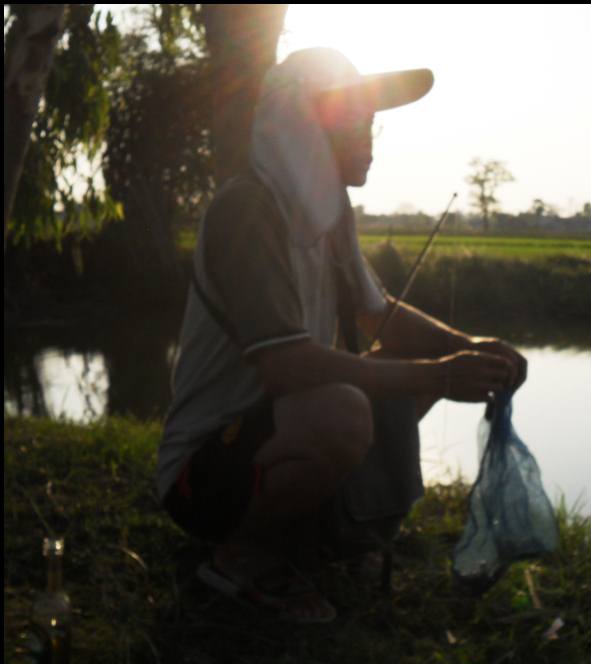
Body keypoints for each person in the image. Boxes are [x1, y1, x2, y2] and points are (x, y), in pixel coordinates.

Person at [155, 48, 527, 623]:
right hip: (202, 475)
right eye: (353, 122)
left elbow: (381, 316)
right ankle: (242, 554)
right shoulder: (248, 210)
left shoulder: (330, 214)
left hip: (273, 433)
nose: (370, 138)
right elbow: (286, 368)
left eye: (371, 122)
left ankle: (319, 529)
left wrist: (470, 349)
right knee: (342, 411)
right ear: (301, 126)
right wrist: (440, 375)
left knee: (384, 375)